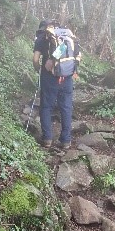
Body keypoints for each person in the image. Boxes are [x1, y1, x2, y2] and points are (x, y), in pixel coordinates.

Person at [32, 19, 78, 149]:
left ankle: (47, 139)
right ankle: (66, 141)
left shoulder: (42, 38)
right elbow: (77, 55)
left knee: (46, 106)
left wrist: (38, 69)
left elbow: (35, 59)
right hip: (67, 77)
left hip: (49, 77)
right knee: (66, 108)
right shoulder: (67, 37)